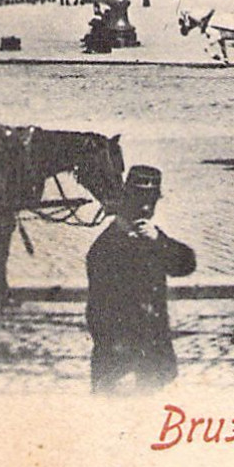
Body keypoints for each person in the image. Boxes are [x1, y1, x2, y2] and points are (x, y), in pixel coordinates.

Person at [84, 166, 197, 393]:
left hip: (153, 365)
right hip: (120, 369)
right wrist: (122, 367)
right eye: (140, 201)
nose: (146, 209)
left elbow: (185, 264)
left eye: (151, 202)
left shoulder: (151, 239)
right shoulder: (105, 249)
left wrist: (159, 241)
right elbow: (98, 314)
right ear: (126, 201)